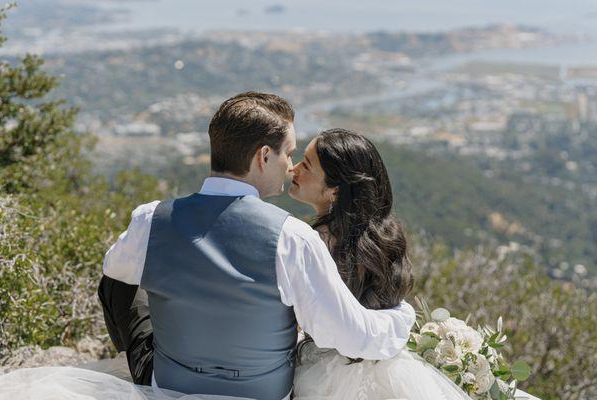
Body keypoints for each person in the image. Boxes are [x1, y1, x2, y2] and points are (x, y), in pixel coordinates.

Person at [98, 92, 416, 400]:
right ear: (263, 156)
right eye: (289, 153)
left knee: (119, 279)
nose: (291, 166)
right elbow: (354, 337)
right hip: (261, 393)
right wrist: (402, 316)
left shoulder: (150, 219)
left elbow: (114, 269)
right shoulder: (292, 238)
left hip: (169, 389)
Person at [289, 128, 471, 399]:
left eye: (306, 164)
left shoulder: (316, 243)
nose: (293, 169)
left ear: (335, 192)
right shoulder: (383, 237)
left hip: (326, 374)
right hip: (388, 368)